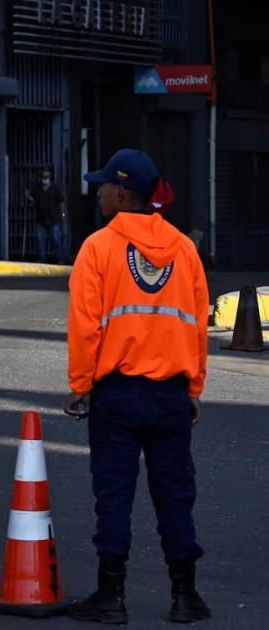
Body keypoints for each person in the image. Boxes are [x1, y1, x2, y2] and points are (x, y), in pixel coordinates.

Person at [64, 149, 211, 625]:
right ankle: (185, 597)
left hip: (118, 393)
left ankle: (111, 596)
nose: (99, 190)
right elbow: (196, 326)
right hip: (170, 393)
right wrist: (194, 387)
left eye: (104, 185)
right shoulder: (184, 249)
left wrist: (81, 383)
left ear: (122, 193)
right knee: (174, 495)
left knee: (113, 494)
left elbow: (86, 326)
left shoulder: (98, 248)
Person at [26, 168, 67, 264]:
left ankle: (60, 258)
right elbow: (32, 202)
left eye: (47, 176)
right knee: (40, 240)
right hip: (40, 219)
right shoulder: (36, 189)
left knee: (56, 239)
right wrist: (29, 198)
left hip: (54, 219)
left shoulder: (55, 188)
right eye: (44, 176)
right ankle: (41, 259)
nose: (45, 178)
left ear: (50, 177)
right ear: (41, 177)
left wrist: (63, 214)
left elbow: (62, 202)